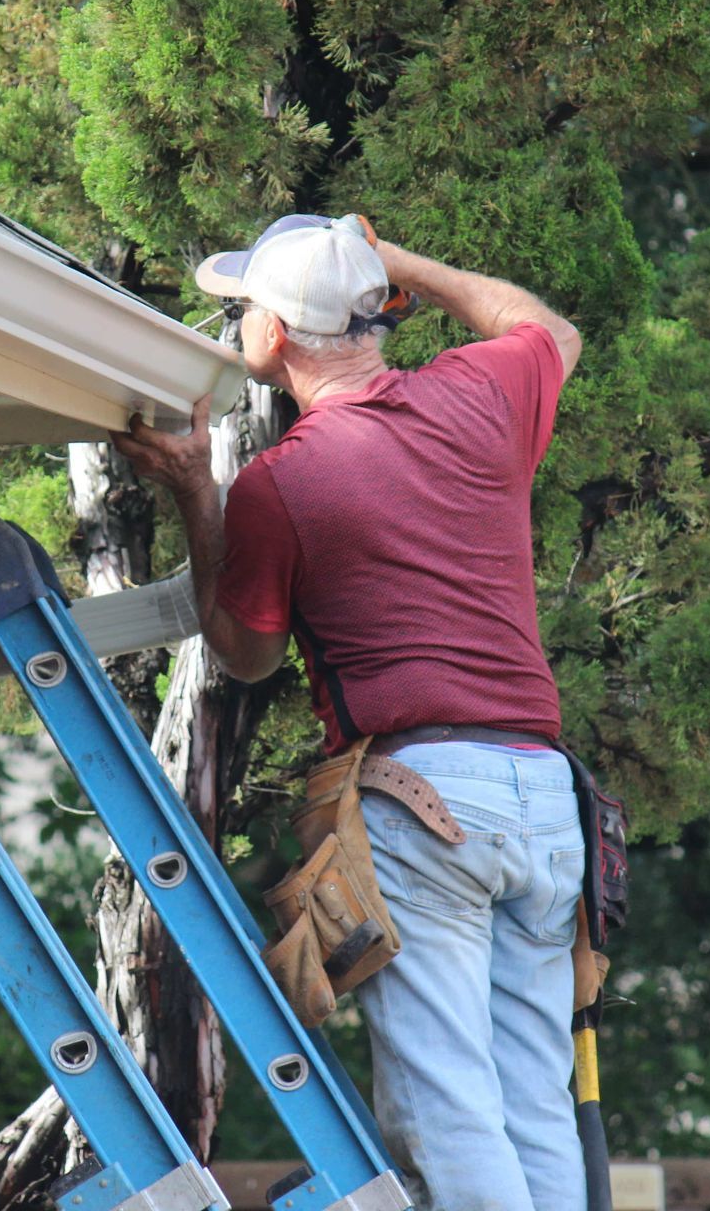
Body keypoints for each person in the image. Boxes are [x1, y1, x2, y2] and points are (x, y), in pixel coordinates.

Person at [110, 214, 587, 1211]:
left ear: (276, 337)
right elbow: (547, 328)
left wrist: (202, 493)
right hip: (545, 795)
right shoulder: (481, 394)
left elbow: (240, 655)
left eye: (244, 307)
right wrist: (395, 261)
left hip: (427, 804)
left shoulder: (284, 483)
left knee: (448, 1105)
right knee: (535, 1097)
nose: (237, 319)